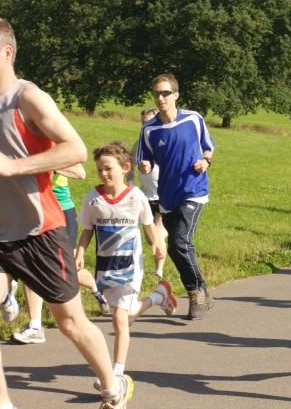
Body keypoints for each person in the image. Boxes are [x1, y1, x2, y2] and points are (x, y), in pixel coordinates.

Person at [0, 15, 133, 409]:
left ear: (7, 52)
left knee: (71, 323)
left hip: (42, 232)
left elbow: (74, 150)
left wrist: (16, 168)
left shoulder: (29, 97)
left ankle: (113, 389)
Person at [76, 142, 176, 387]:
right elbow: (87, 230)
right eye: (99, 169)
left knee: (120, 319)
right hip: (106, 266)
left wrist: (156, 244)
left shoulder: (135, 197)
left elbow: (148, 223)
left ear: (124, 168)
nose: (103, 174)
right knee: (124, 318)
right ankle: (158, 297)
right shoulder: (93, 199)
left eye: (108, 168)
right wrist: (79, 252)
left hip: (131, 265)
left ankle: (116, 374)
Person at [138, 73, 215, 320]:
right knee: (175, 248)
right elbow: (144, 158)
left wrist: (205, 161)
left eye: (165, 93)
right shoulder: (149, 129)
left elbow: (208, 146)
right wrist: (144, 167)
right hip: (167, 195)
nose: (160, 98)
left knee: (179, 242)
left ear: (175, 95)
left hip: (194, 190)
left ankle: (194, 293)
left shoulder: (193, 119)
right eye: (157, 94)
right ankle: (202, 288)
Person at [10, 169, 114, 345]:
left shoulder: (58, 143)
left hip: (60, 211)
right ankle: (35, 326)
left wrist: (50, 162)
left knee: (66, 269)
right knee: (32, 266)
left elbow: (80, 172)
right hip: (32, 211)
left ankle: (97, 290)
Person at [133, 108, 167, 277]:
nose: (146, 125)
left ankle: (159, 270)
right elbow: (129, 164)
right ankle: (166, 233)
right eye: (144, 122)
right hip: (145, 196)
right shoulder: (138, 144)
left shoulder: (162, 141)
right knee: (150, 238)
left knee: (158, 232)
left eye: (150, 121)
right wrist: (131, 183)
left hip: (162, 194)